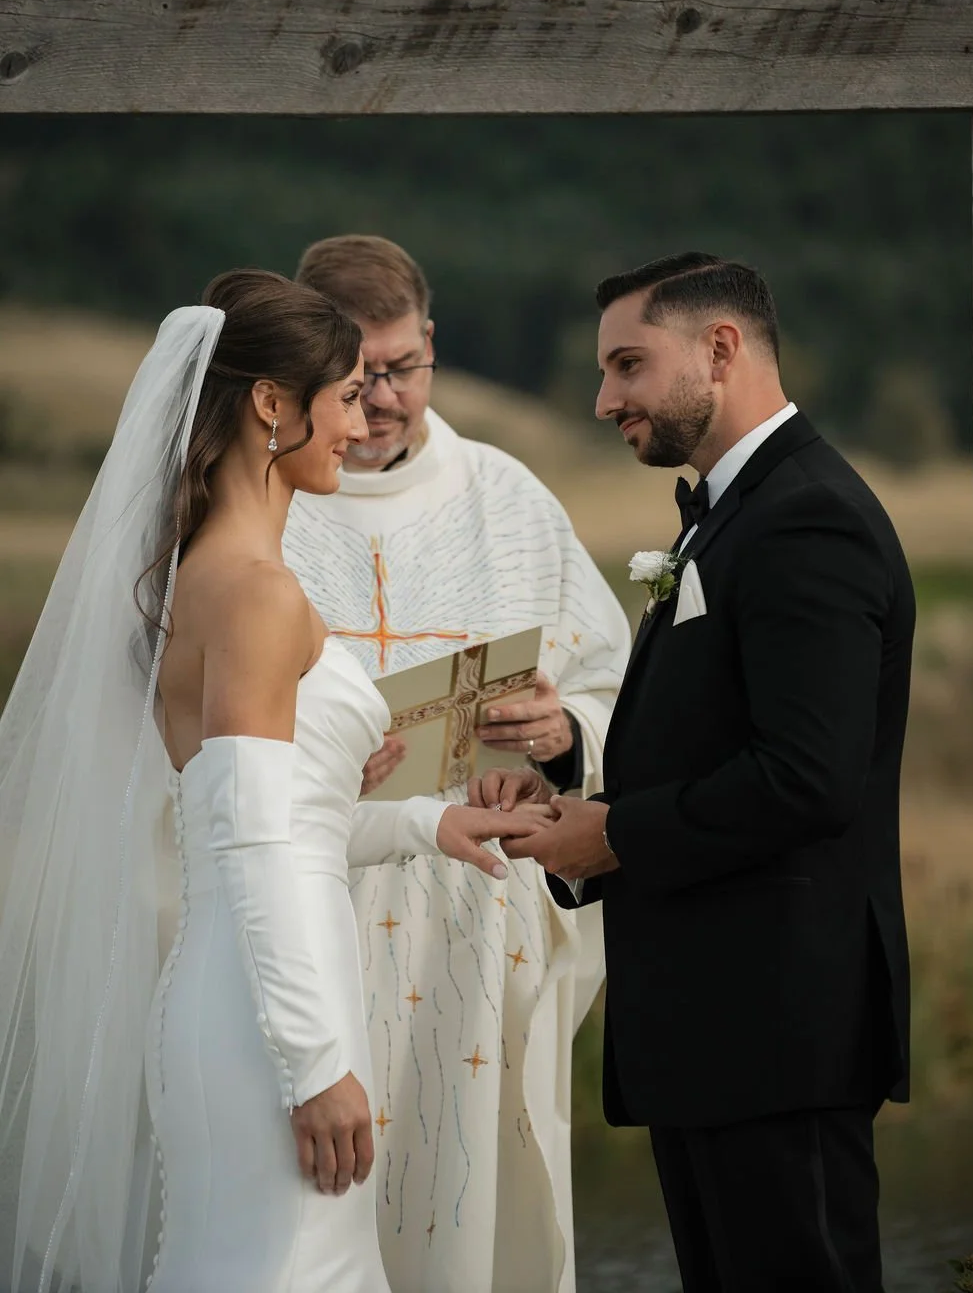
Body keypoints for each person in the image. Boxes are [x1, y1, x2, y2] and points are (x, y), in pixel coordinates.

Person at [0, 269, 544, 1293]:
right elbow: (252, 844)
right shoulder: (252, 593)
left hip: (248, 988)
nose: (358, 419)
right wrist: (310, 1063)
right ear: (268, 404)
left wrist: (432, 825)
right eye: (342, 394)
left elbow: (283, 821)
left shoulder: (209, 576)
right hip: (269, 1018)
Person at [486, 252, 915, 1293]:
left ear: (720, 349)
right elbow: (714, 744)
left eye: (629, 365)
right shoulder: (730, 513)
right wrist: (573, 806)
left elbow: (809, 779)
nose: (603, 400)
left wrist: (619, 836)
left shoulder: (805, 517)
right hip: (721, 1031)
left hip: (779, 1028)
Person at [282, 236, 631, 1293]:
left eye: (403, 367)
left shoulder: (508, 498)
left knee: (467, 1200)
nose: (382, 400)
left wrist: (561, 730)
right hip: (314, 906)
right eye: (357, 377)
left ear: (431, 343)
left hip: (475, 919)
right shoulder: (264, 502)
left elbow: (612, 682)